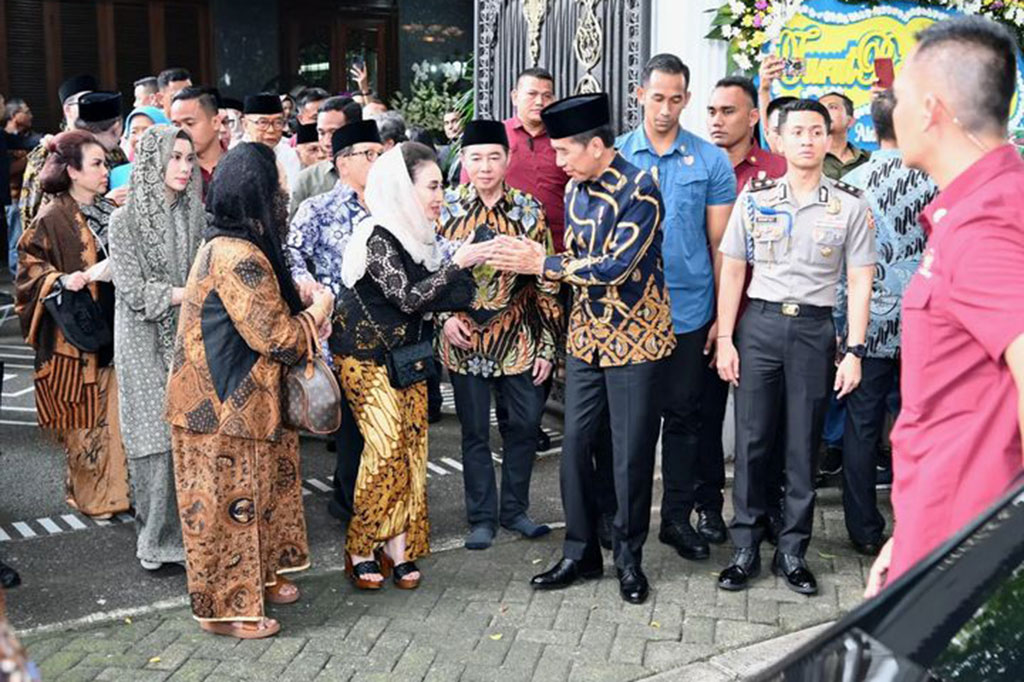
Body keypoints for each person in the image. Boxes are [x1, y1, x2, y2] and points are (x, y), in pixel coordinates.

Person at [490, 93, 675, 605]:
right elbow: (576, 256)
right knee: (574, 447)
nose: (558, 161)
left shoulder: (642, 189)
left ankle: (629, 559)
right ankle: (580, 551)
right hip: (588, 338)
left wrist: (543, 264)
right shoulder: (574, 189)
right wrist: (547, 267)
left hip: (636, 342)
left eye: (566, 151)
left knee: (631, 455)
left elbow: (616, 268)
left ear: (597, 146)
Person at [865, 16, 1024, 597]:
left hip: (971, 569)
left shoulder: (988, 223)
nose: (889, 111)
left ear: (931, 108)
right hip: (941, 535)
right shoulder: (978, 205)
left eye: (897, 97)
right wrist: (911, 534)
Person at [165, 143, 334, 638]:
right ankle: (226, 611)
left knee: (258, 498)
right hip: (219, 410)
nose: (284, 193)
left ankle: (258, 579)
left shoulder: (240, 243)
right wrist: (319, 310)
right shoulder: (236, 254)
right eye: (277, 186)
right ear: (257, 194)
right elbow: (276, 336)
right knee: (225, 510)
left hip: (248, 403)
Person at [715, 99, 875, 595]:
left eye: (816, 131)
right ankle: (745, 546)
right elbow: (734, 270)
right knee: (753, 440)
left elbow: (860, 279)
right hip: (759, 327)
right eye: (797, 131)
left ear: (830, 140)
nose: (807, 140)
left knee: (804, 446)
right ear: (777, 141)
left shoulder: (849, 205)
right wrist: (725, 338)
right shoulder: (755, 196)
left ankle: (792, 551)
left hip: (813, 330)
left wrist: (854, 350)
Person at [329, 142, 485, 589]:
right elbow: (408, 297)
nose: (441, 195)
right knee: (385, 448)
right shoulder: (376, 235)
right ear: (404, 188)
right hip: (365, 360)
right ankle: (361, 547)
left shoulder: (424, 236)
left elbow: (440, 296)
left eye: (442, 185)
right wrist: (459, 263)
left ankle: (397, 545)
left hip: (409, 360)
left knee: (412, 451)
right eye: (433, 186)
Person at [617, 54, 736, 562]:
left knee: (685, 418)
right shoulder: (617, 156)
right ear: (640, 95)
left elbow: (720, 248)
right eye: (657, 97)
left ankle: (676, 520)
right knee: (633, 425)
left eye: (675, 98)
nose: (665, 108)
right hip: (628, 314)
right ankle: (626, 524)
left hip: (689, 311)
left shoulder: (710, 161)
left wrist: (718, 320)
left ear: (686, 99)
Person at [436, 120, 563, 550]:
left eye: (494, 157)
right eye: (476, 158)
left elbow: (546, 283)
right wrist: (442, 321)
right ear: (464, 162)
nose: (486, 167)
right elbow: (426, 275)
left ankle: (515, 510)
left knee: (524, 427)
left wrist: (548, 345)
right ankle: (482, 517)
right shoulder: (446, 209)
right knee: (473, 432)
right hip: (465, 338)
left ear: (508, 160)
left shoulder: (528, 211)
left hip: (521, 337)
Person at [835, 92, 936, 558]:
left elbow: (840, 268)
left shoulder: (852, 185)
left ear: (869, 129)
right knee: (924, 424)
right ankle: (922, 525)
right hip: (926, 319)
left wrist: (842, 333)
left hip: (866, 324)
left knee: (862, 423)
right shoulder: (936, 180)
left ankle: (864, 529)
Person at [14, 130, 130, 519]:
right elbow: (28, 269)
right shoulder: (52, 214)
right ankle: (93, 498)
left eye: (104, 163)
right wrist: (62, 279)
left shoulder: (105, 210)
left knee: (112, 417)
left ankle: (117, 494)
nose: (104, 171)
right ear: (72, 171)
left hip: (111, 326)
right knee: (85, 420)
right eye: (96, 164)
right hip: (74, 338)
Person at [108, 125, 204, 571]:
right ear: (152, 161)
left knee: (187, 432)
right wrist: (190, 292)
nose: (184, 167)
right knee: (151, 438)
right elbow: (131, 289)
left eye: (189, 158)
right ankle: (154, 540)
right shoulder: (122, 220)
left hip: (187, 335)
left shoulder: (195, 215)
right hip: (141, 340)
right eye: (174, 158)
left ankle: (188, 535)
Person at [705, 75, 790, 547]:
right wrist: (717, 317)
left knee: (767, 426)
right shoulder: (697, 163)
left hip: (766, 313)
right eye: (713, 111)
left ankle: (768, 510)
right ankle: (708, 508)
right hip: (710, 315)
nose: (718, 120)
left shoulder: (778, 168)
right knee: (703, 418)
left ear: (754, 116)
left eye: (729, 111)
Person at [287, 121, 382, 524]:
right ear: (343, 163)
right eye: (369, 155)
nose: (378, 162)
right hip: (338, 335)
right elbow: (291, 254)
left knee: (383, 428)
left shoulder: (392, 206)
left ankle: (382, 504)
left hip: (388, 335)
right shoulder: (318, 209)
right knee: (351, 433)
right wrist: (306, 285)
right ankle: (348, 504)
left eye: (381, 154)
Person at [19, 75, 99, 229]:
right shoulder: (46, 153)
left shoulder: (111, 150)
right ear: (68, 110)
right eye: (86, 102)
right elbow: (30, 211)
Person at [289, 96, 363, 218]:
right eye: (321, 133)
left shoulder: (377, 175)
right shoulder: (307, 180)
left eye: (334, 132)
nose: (327, 142)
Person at [72, 92, 129, 206]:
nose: (104, 172)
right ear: (117, 127)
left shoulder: (116, 153)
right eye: (96, 164)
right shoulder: (63, 153)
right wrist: (106, 203)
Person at [170, 87, 225, 194]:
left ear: (215, 122)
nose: (182, 131)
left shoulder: (241, 165)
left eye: (190, 123)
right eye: (176, 125)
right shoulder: (169, 173)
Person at [242, 93, 301, 191]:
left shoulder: (289, 154)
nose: (271, 130)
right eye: (263, 123)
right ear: (245, 125)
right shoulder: (235, 156)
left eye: (278, 123)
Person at [820, 92, 870, 179]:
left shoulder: (869, 159)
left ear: (850, 121)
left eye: (832, 107)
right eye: (821, 109)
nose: (824, 112)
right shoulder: (805, 157)